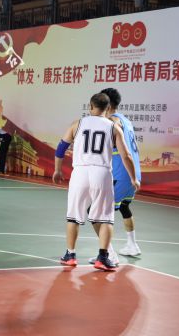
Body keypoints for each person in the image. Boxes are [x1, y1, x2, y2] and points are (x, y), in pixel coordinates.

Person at [53, 93, 140, 271]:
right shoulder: (114, 127)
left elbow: (61, 148)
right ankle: (103, 257)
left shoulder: (77, 124)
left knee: (74, 216)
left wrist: (57, 170)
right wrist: (133, 178)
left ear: (90, 106)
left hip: (80, 172)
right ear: (108, 108)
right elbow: (126, 156)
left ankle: (70, 255)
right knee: (105, 218)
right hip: (102, 173)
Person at [101, 88, 143, 257]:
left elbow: (119, 150)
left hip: (122, 174)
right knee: (124, 207)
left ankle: (107, 254)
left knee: (98, 212)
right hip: (134, 173)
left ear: (107, 104)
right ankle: (132, 245)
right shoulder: (127, 121)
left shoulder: (112, 121)